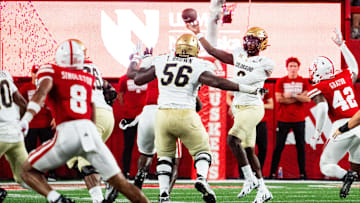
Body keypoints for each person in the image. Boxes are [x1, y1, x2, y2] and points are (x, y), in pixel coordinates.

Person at [129, 33, 267, 203]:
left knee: (164, 156)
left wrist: (142, 59)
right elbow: (217, 82)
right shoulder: (198, 63)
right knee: (202, 151)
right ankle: (201, 177)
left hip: (162, 114)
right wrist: (248, 89)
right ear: (195, 49)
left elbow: (138, 78)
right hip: (185, 113)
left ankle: (164, 193)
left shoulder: (162, 60)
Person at [19, 39, 149, 203]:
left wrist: (27, 117)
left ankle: (58, 199)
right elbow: (99, 99)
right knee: (119, 181)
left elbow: (41, 93)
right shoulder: (87, 76)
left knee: (26, 170)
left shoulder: (52, 70)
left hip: (70, 128)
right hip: (96, 121)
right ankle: (105, 186)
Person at [187, 22, 274, 202]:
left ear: (262, 43)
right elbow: (213, 51)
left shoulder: (266, 63)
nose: (249, 43)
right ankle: (263, 189)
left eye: (253, 40)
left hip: (252, 107)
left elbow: (246, 81)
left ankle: (249, 179)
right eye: (248, 39)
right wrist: (198, 33)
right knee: (249, 150)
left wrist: (217, 80)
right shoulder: (239, 54)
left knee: (232, 139)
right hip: (239, 107)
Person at [64, 40, 118, 203]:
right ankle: (105, 188)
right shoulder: (93, 67)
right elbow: (111, 91)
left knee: (85, 163)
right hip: (106, 116)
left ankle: (107, 186)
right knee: (73, 159)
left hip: (90, 116)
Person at [309, 29, 359, 198]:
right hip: (358, 122)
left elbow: (322, 109)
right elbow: (354, 68)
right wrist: (342, 45)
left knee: (326, 165)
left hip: (343, 126)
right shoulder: (345, 76)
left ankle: (347, 176)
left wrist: (317, 134)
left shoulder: (320, 87)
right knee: (357, 163)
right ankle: (352, 177)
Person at [125, 47, 184, 192]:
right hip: (167, 111)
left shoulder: (155, 64)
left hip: (148, 113)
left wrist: (135, 59)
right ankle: (164, 195)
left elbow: (131, 74)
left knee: (146, 154)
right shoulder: (184, 68)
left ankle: (141, 175)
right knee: (173, 160)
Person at [269, 57, 310, 180]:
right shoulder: (281, 81)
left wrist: (291, 95)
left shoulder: (303, 81)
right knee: (279, 146)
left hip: (299, 119)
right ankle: (272, 173)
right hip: (284, 119)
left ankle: (303, 173)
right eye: (290, 66)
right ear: (287, 68)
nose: (293, 68)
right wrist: (298, 97)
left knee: (301, 147)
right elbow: (279, 99)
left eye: (295, 66)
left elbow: (307, 99)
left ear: (298, 68)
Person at [19, 65, 57, 181]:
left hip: (46, 123)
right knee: (29, 149)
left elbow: (54, 103)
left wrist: (55, 117)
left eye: (38, 72)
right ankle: (30, 172)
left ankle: (51, 173)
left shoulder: (47, 87)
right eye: (35, 72)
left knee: (49, 149)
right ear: (31, 74)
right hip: (31, 124)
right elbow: (20, 103)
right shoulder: (26, 88)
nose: (36, 75)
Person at [0, 70, 29, 202]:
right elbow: (22, 102)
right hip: (15, 132)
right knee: (25, 177)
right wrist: (21, 122)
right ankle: (55, 196)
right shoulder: (4, 74)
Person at [118, 73, 147, 179]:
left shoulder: (147, 76)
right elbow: (120, 94)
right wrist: (126, 108)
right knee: (128, 145)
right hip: (130, 116)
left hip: (144, 114)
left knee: (146, 146)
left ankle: (143, 171)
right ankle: (126, 171)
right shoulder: (124, 78)